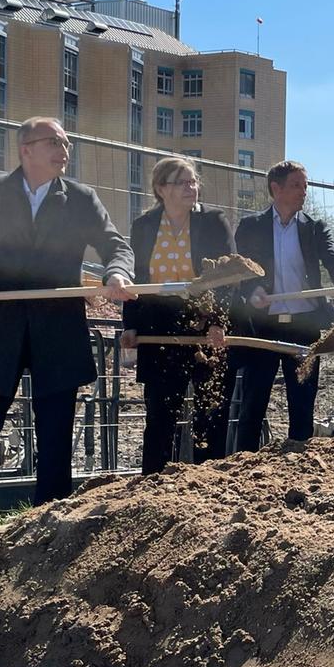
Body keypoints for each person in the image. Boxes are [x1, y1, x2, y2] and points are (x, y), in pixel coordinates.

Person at [0, 116, 135, 571]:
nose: (64, 148)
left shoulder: (80, 199)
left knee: (55, 438)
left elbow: (114, 244)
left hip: (57, 333)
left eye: (66, 141)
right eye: (54, 142)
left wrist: (115, 272)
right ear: (26, 148)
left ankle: (48, 535)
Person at [230, 160, 334, 451]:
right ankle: (243, 463)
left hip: (305, 326)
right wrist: (252, 291)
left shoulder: (315, 228)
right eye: (296, 185)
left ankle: (299, 461)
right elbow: (240, 269)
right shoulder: (251, 226)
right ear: (275, 189)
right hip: (263, 327)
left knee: (303, 401)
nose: (304, 191)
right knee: (253, 401)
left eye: (305, 185)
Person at [119, 158, 236, 474]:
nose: (191, 188)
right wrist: (130, 324)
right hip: (158, 324)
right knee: (160, 413)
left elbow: (227, 276)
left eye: (193, 181)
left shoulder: (213, 222)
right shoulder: (143, 226)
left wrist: (217, 322)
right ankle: (153, 482)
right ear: (161, 188)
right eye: (182, 182)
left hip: (203, 322)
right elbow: (137, 278)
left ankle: (209, 483)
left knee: (209, 411)